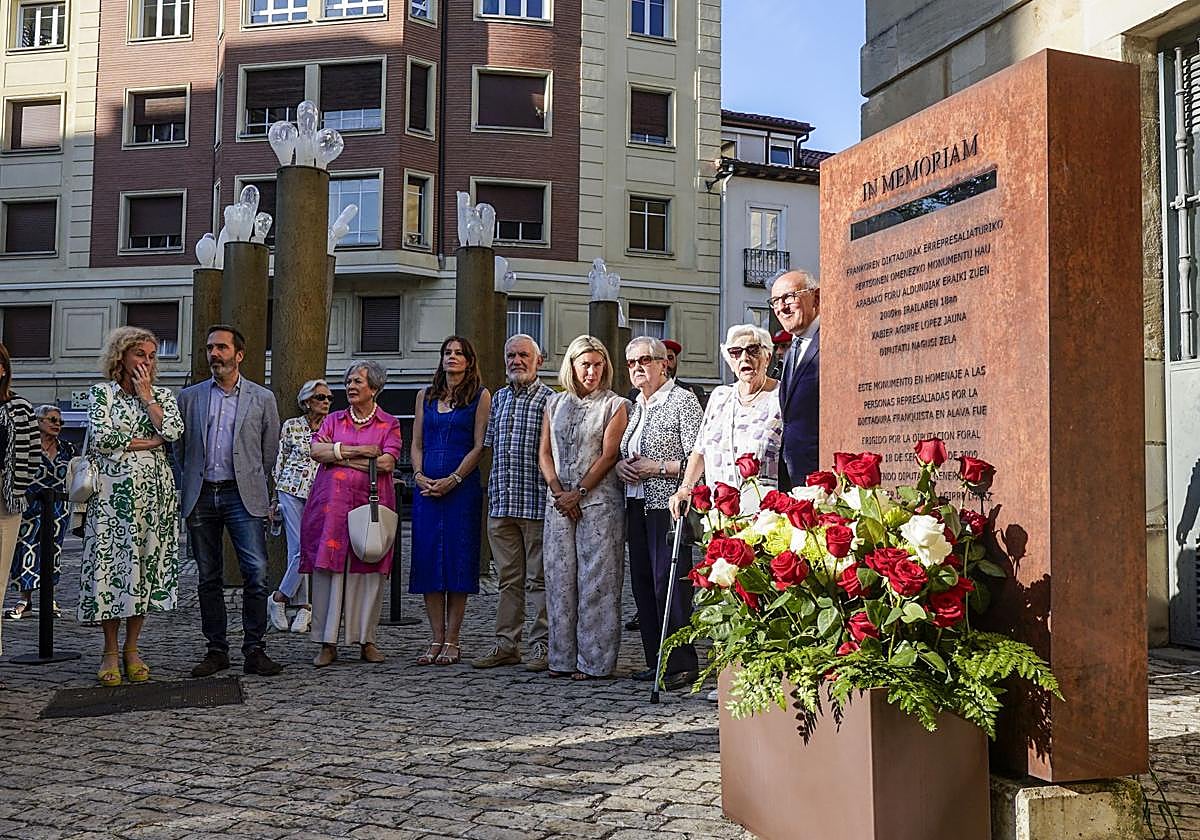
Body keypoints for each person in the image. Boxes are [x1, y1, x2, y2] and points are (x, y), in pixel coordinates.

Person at [79, 327, 184, 686]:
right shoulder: (101, 394)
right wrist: (148, 441)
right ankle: (109, 649)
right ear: (121, 356)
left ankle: (133, 648)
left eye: (152, 356)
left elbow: (172, 432)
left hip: (155, 498)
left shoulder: (162, 395)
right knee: (112, 568)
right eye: (140, 354)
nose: (147, 362)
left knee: (144, 570)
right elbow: (104, 438)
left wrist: (147, 398)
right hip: (112, 499)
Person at [178, 325, 283, 678]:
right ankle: (216, 650)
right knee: (208, 576)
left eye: (221, 347)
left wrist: (255, 483)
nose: (214, 354)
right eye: (210, 347)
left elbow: (270, 451)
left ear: (239, 355)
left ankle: (254, 649)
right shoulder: (190, 397)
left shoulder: (262, 398)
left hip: (243, 494)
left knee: (256, 573)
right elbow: (180, 447)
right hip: (203, 493)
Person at [615, 337, 704, 690]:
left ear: (663, 363)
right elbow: (628, 452)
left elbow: (698, 458)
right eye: (632, 362)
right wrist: (623, 467)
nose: (638, 366)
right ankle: (656, 660)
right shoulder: (636, 406)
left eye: (645, 360)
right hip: (636, 503)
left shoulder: (682, 401)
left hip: (668, 505)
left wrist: (660, 468)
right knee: (642, 585)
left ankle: (681, 662)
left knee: (669, 585)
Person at [538, 335, 629, 680]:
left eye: (598, 364)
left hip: (599, 502)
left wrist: (579, 491)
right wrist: (560, 491)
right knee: (559, 580)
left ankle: (595, 662)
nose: (592, 371)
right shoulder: (554, 404)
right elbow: (545, 453)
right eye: (585, 364)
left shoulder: (615, 404)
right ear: (572, 367)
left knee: (597, 581)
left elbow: (609, 454)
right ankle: (561, 658)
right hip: (559, 502)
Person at [302, 361, 403, 667]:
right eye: (348, 381)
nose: (350, 386)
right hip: (331, 506)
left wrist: (338, 456)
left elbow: (386, 463)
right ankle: (326, 641)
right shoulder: (333, 419)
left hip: (370, 504)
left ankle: (366, 640)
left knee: (368, 569)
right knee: (328, 572)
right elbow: (316, 451)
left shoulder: (389, 423)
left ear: (374, 387)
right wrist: (361, 451)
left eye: (358, 381)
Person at [471, 334, 554, 672]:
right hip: (502, 503)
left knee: (539, 580)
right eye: (511, 355)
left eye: (523, 355)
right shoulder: (500, 398)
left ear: (539, 361)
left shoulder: (551, 400)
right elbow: (489, 448)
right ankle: (506, 644)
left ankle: (543, 645)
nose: (516, 361)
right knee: (508, 579)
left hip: (535, 503)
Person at [410, 336, 491, 666]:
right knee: (429, 561)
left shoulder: (480, 396)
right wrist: (417, 475)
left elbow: (479, 445)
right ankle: (435, 637)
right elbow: (415, 442)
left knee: (457, 561)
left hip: (461, 489)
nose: (452, 357)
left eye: (459, 353)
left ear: (469, 361)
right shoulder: (424, 396)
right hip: (426, 488)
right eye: (447, 352)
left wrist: (455, 478)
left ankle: (453, 639)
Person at [669, 323, 783, 516]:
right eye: (736, 352)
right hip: (721, 513)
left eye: (753, 350)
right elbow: (700, 449)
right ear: (730, 361)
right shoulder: (720, 396)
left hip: (765, 517)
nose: (744, 357)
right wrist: (685, 488)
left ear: (767, 356)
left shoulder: (780, 396)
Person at [267, 379, 332, 635]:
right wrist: (274, 499)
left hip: (320, 493)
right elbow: (280, 461)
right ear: (306, 402)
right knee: (299, 549)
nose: (326, 402)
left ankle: (283, 599)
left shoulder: (332, 426)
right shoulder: (291, 426)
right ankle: (300, 604)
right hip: (291, 490)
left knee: (309, 548)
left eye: (328, 398)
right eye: (320, 397)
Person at [7, 405, 75, 621]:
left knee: (52, 552)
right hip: (29, 507)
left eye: (60, 422)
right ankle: (25, 600)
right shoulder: (25, 448)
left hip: (57, 509)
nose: (57, 425)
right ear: (38, 422)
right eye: (53, 420)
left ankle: (49, 598)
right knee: (25, 550)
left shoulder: (68, 449)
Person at [0, 342, 39, 680]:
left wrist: (18, 489)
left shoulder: (20, 408)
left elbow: (32, 455)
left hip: (5, 502)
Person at [770, 270, 820, 488]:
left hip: (820, 476)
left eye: (789, 297)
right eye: (775, 302)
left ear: (816, 297)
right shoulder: (793, 349)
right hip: (793, 477)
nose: (781, 308)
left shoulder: (834, 339)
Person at [662, 339, 708, 407]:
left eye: (670, 358)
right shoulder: (645, 393)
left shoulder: (695, 391)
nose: (667, 363)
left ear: (676, 360)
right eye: (662, 359)